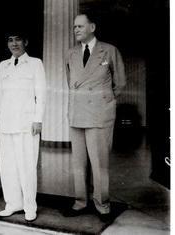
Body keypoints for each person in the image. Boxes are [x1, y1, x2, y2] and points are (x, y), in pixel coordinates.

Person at [64, 14, 126, 221]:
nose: (76, 30)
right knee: (78, 162)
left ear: (92, 26)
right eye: (74, 27)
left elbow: (120, 83)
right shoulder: (71, 53)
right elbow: (70, 82)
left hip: (99, 113)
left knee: (99, 163)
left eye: (80, 26)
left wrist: (103, 100)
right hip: (77, 112)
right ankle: (80, 201)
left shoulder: (109, 50)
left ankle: (102, 204)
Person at [0, 32, 46, 222]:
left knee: (27, 167)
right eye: (10, 40)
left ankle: (30, 206)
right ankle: (13, 203)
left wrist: (38, 119)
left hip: (26, 124)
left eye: (17, 39)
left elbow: (41, 94)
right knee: (7, 167)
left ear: (26, 41)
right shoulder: (3, 65)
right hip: (6, 123)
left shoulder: (35, 64)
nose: (13, 44)